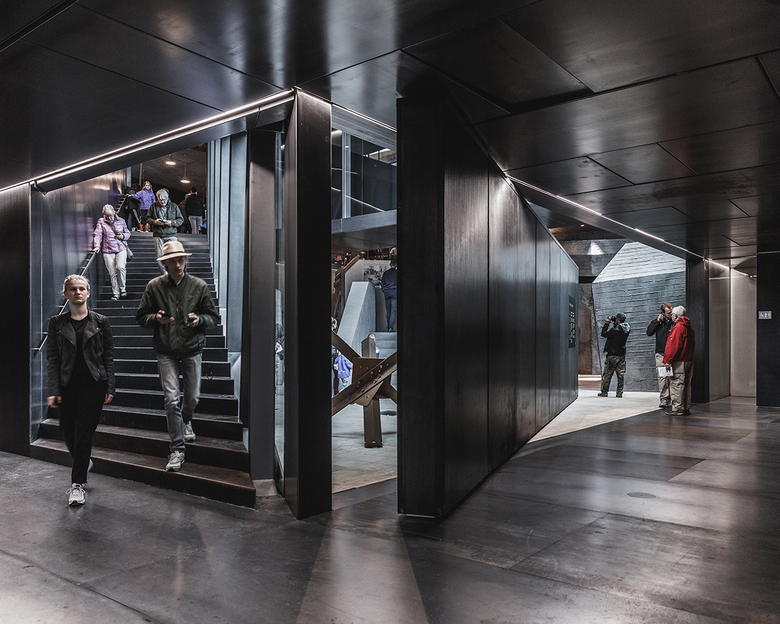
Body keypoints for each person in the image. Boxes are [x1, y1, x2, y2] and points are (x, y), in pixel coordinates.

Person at [135, 241, 220, 472]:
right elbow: (141, 317)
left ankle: (186, 420)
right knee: (171, 399)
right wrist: (156, 318)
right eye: (172, 261)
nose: (178, 264)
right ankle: (177, 449)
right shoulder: (154, 286)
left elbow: (213, 317)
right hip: (166, 350)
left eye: (181, 259)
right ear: (165, 263)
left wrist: (199, 320)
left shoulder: (199, 286)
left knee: (192, 398)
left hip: (192, 348)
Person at [47, 275, 115, 506]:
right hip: (67, 385)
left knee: (83, 433)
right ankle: (83, 461)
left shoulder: (101, 322)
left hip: (94, 385)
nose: (78, 292)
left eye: (81, 288)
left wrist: (110, 385)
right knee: (68, 432)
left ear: (88, 292)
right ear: (66, 294)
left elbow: (108, 356)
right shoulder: (57, 323)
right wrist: (54, 388)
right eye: (73, 289)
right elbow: (53, 358)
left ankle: (77, 485)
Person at [92, 204, 131, 300]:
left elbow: (128, 232)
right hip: (108, 250)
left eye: (111, 215)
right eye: (107, 216)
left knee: (120, 267)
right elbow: (98, 234)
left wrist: (123, 236)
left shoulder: (121, 221)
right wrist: (97, 246)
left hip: (121, 248)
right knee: (112, 273)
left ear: (114, 212)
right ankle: (116, 293)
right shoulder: (101, 222)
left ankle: (122, 288)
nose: (109, 218)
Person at [663, 305, 695, 416]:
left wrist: (668, 360)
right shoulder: (689, 328)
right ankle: (686, 407)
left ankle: (677, 408)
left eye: (672, 314)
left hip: (679, 361)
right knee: (686, 385)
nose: (671, 316)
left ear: (676, 316)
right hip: (689, 360)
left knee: (677, 384)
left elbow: (674, 346)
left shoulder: (678, 328)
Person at [146, 188, 184, 274]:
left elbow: (181, 220)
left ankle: (172, 274)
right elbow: (147, 218)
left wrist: (171, 222)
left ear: (167, 198)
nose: (162, 202)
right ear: (157, 198)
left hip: (171, 234)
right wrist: (155, 222)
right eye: (160, 200)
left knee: (173, 256)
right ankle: (166, 275)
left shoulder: (174, 206)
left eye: (164, 200)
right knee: (160, 257)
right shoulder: (153, 206)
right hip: (158, 234)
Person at [646, 302, 675, 408]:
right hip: (661, 353)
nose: (670, 315)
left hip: (672, 354)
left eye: (671, 313)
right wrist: (657, 322)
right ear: (662, 313)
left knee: (671, 377)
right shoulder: (658, 322)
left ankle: (672, 398)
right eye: (668, 313)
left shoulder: (674, 322)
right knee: (662, 377)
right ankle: (664, 398)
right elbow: (649, 332)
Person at [598, 313, 630, 398]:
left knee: (607, 375)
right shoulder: (627, 329)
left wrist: (607, 323)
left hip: (612, 355)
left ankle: (604, 392)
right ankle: (619, 393)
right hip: (621, 355)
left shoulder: (614, 330)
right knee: (620, 375)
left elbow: (603, 333)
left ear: (618, 320)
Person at [380, 257, 397, 331]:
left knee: (388, 311)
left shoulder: (386, 273)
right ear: (396, 265)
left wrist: (384, 290)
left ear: (390, 264)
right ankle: (390, 327)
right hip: (395, 292)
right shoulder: (397, 273)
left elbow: (382, 284)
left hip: (387, 292)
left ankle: (388, 327)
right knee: (393, 310)